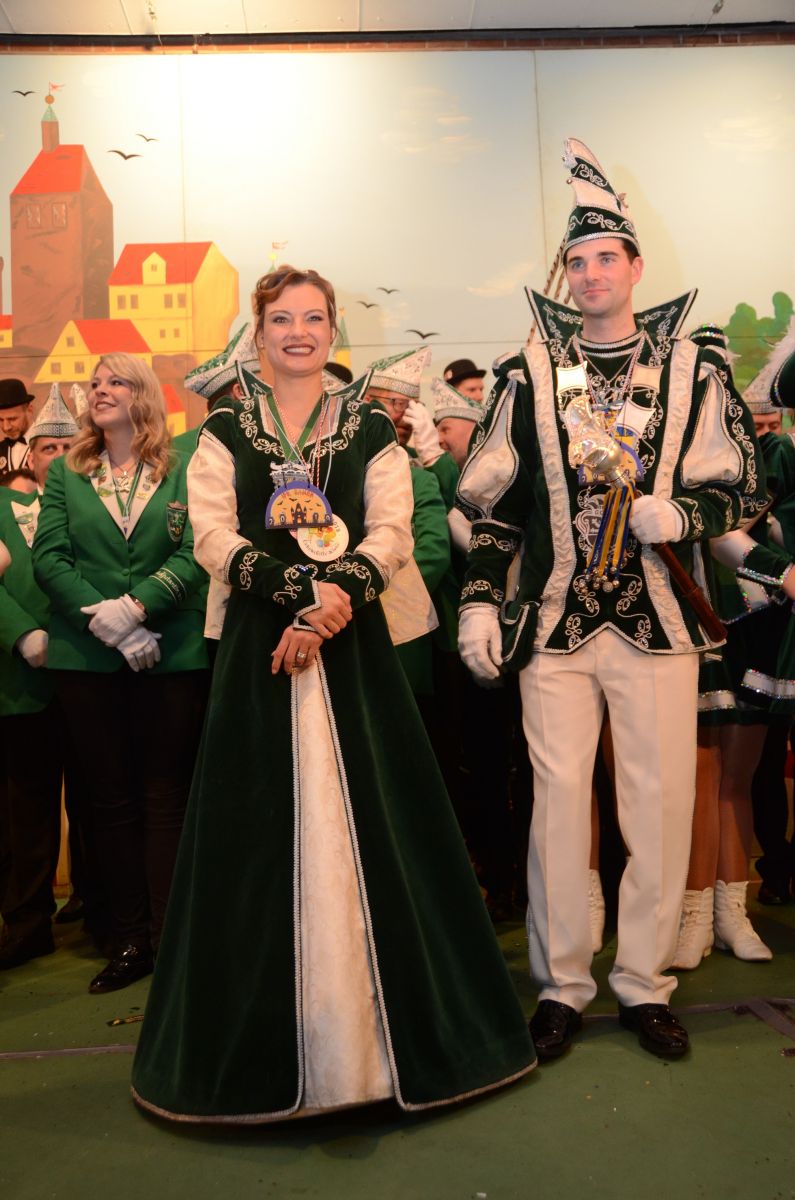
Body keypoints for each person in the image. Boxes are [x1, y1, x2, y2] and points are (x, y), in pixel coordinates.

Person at [131, 264, 535, 1124]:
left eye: (313, 318)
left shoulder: (367, 427)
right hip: (257, 648)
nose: (298, 333)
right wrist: (296, 595)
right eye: (281, 319)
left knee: (382, 817)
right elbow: (211, 535)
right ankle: (270, 1050)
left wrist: (331, 602)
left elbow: (391, 530)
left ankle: (383, 1047)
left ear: (331, 328)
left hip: (355, 652)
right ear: (259, 331)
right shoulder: (225, 429)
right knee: (255, 829)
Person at [456, 139, 765, 1062]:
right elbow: (494, 508)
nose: (591, 274)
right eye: (577, 262)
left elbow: (742, 485)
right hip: (553, 627)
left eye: (605, 258)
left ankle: (641, 982)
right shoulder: (525, 376)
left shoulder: (691, 372)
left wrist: (685, 513)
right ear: (566, 275)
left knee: (657, 806)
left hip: (656, 627)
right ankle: (560, 985)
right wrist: (480, 602)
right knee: (556, 808)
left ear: (634, 267)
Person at [32, 354, 209, 994]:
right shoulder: (68, 472)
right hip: (88, 660)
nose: (100, 390)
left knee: (166, 797)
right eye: (95, 383)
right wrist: (106, 622)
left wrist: (137, 608)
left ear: (145, 395)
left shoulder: (185, 466)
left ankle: (170, 938)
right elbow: (49, 557)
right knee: (109, 802)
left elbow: (197, 550)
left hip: (171, 651)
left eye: (116, 382)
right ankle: (130, 940)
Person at [0, 387, 77, 968]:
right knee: (22, 810)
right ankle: (26, 920)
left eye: (69, 447)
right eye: (48, 447)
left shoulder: (95, 504)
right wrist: (23, 633)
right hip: (17, 684)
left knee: (100, 801)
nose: (58, 457)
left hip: (88, 675)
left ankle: (100, 909)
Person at [0, 379, 35, 474]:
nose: (6, 427)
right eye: (1, 420)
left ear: (30, 410)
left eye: (12, 419)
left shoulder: (50, 446)